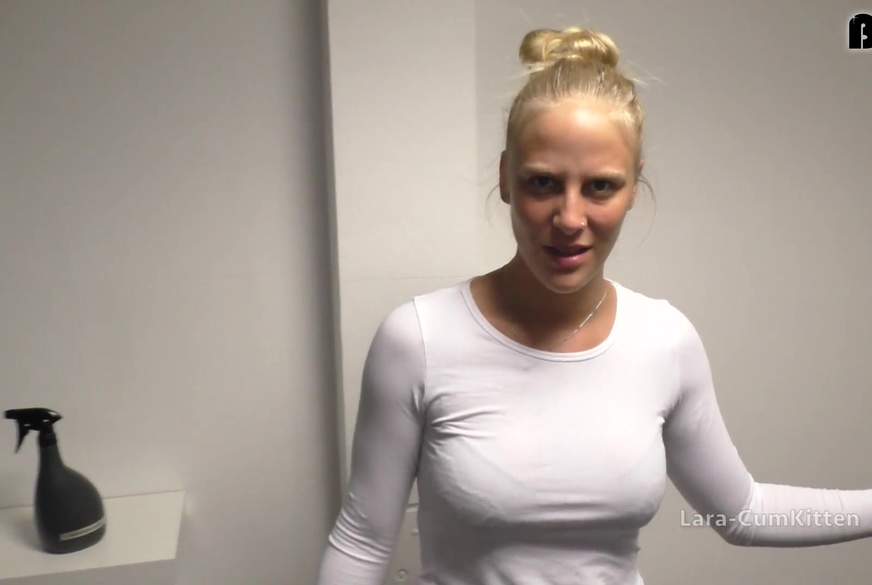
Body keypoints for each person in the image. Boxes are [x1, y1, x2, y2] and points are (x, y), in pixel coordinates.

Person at [315, 27, 872, 585]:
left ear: (633, 190)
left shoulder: (664, 340)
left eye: (601, 187)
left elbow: (744, 510)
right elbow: (363, 541)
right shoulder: (419, 338)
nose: (570, 218)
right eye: (543, 183)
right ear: (506, 178)